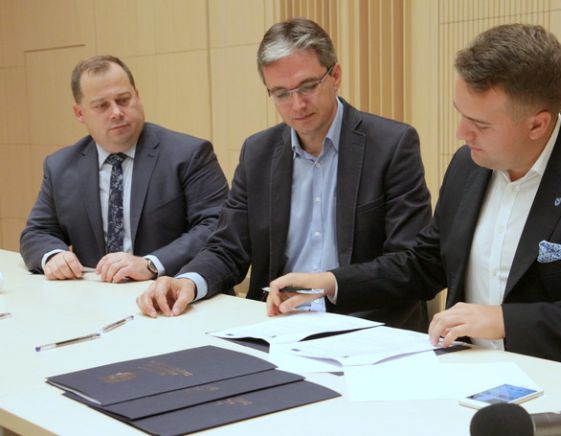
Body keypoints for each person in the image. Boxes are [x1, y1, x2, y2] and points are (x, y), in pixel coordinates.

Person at [267, 24, 561, 368]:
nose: (461, 133)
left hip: (560, 387)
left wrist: (505, 321)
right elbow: (425, 263)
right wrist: (331, 282)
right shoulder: (469, 165)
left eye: (480, 123)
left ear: (538, 125)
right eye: (460, 113)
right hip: (460, 372)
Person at [136, 18, 432, 330]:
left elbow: (409, 263)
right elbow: (228, 247)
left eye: (308, 86)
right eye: (281, 93)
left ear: (335, 76)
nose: (297, 104)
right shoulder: (258, 153)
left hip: (365, 325)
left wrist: (330, 284)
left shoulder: (391, 145)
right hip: (277, 324)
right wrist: (188, 282)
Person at [20, 55, 229, 283]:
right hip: (96, 295)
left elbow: (216, 226)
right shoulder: (61, 166)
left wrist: (151, 263)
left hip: (173, 291)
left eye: (123, 100)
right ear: (79, 113)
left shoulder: (189, 154)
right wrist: (53, 256)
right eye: (102, 106)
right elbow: (37, 232)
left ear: (137, 97)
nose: (116, 112)